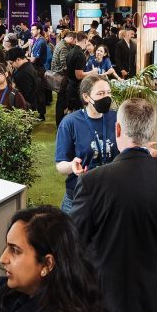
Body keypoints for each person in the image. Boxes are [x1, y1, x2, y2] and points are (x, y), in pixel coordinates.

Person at [71, 98, 157, 312]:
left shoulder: (93, 182)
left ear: (118, 130)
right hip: (147, 291)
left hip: (101, 294)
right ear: (151, 133)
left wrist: (84, 183)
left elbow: (74, 239)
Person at [54, 76, 118, 212]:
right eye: (100, 94)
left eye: (109, 92)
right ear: (86, 97)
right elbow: (60, 165)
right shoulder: (70, 123)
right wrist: (72, 166)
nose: (107, 97)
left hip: (110, 194)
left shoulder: (116, 118)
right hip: (79, 197)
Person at [56, 32, 87, 125]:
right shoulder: (80, 54)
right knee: (75, 114)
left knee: (69, 112)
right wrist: (92, 73)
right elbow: (79, 75)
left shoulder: (71, 51)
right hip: (75, 89)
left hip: (69, 86)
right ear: (85, 40)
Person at [6, 47, 42, 115]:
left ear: (18, 59)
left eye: (11, 63)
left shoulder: (22, 73)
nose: (11, 66)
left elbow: (24, 95)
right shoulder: (28, 66)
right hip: (32, 103)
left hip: (26, 107)